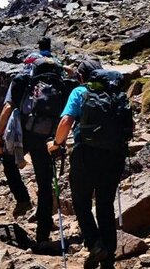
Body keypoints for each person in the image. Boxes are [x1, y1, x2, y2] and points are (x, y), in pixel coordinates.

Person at [48, 59, 132, 269]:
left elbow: (66, 121)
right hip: (114, 155)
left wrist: (56, 144)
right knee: (105, 203)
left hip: (85, 154)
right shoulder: (116, 93)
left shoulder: (80, 92)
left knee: (81, 202)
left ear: (81, 77)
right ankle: (108, 255)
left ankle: (95, 244)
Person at [0, 55, 67, 246]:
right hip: (49, 138)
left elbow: (8, 108)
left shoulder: (23, 81)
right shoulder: (60, 83)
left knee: (8, 160)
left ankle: (23, 198)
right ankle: (43, 233)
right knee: (45, 184)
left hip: (25, 134)